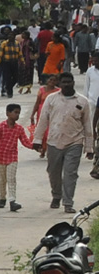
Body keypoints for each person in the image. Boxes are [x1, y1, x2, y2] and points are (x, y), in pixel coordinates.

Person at [33, 72, 95, 213]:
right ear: (59, 84)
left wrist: (89, 147)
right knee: (53, 172)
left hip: (75, 142)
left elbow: (87, 125)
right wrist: (37, 140)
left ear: (73, 82)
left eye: (69, 82)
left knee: (70, 174)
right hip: (54, 142)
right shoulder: (51, 99)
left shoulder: (82, 101)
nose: (66, 84)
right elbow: (43, 120)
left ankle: (68, 203)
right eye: (64, 82)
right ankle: (56, 195)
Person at [0, 102, 33, 212]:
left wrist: (35, 147)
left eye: (18, 113)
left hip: (12, 157)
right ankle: (2, 198)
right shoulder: (0, 126)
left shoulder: (19, 129)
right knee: (2, 180)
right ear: (8, 113)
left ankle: (12, 201)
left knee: (11, 179)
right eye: (15, 112)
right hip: (0, 157)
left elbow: (25, 142)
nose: (17, 115)